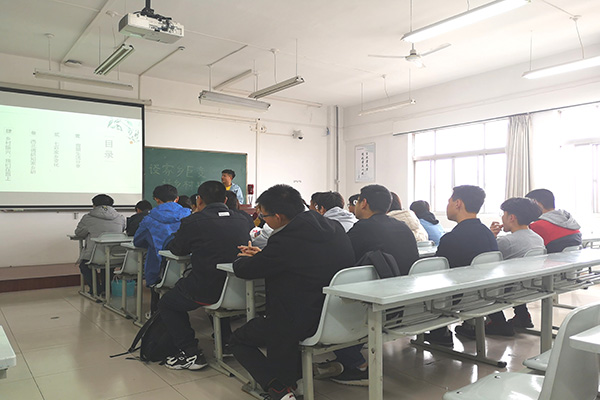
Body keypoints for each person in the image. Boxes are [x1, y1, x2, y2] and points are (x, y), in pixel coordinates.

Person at [230, 184, 354, 400]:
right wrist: (264, 255)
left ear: (278, 217)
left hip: (300, 321)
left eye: (264, 216)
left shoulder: (285, 239)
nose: (263, 220)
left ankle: (280, 388)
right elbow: (300, 258)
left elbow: (246, 271)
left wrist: (241, 259)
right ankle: (294, 378)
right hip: (339, 315)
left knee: (238, 340)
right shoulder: (333, 228)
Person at [320, 184, 418, 386]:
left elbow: (340, 259)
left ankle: (355, 363)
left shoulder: (363, 228)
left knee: (328, 295)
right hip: (405, 300)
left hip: (378, 301)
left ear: (363, 203)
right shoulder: (402, 227)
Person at [158, 181, 250, 370]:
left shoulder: (193, 221)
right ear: (225, 200)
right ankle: (226, 342)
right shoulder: (243, 220)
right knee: (218, 286)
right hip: (239, 289)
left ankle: (189, 352)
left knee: (167, 302)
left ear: (199, 200)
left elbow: (177, 250)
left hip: (207, 289)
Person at [428, 185, 498, 346]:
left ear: (458, 203)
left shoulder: (452, 238)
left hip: (457, 299)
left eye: (449, 202)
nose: (447, 206)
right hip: (484, 295)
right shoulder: (488, 234)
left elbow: (437, 272)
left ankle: (440, 333)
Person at [486, 197, 545, 333]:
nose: (502, 218)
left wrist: (491, 237)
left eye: (504, 214)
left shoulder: (507, 241)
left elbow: (486, 260)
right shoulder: (538, 238)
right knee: (517, 274)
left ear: (511, 217)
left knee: (486, 281)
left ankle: (498, 322)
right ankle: (523, 316)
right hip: (531, 287)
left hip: (509, 289)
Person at [133, 185, 190, 314]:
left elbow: (138, 241)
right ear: (177, 198)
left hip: (159, 270)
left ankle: (155, 314)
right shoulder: (189, 215)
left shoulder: (149, 219)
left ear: (156, 199)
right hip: (187, 269)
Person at [74, 194, 126, 294]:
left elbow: (78, 233)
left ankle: (96, 289)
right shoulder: (120, 218)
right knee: (108, 265)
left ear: (94, 205)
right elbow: (122, 230)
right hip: (115, 255)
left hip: (95, 255)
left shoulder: (88, 218)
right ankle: (106, 288)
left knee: (84, 266)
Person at [525, 189, 582, 253]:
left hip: (549, 259)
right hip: (573, 258)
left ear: (537, 204)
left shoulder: (536, 226)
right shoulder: (571, 222)